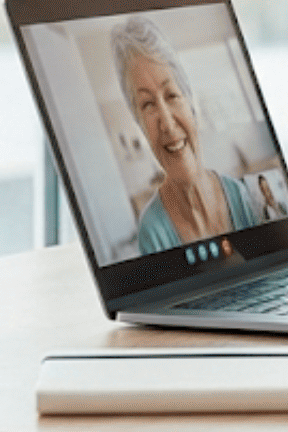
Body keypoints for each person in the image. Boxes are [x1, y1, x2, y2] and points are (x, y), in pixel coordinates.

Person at [109, 16, 263, 254]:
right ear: (141, 126)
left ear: (191, 106)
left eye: (171, 95)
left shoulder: (241, 196)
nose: (168, 125)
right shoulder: (152, 233)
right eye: (148, 104)